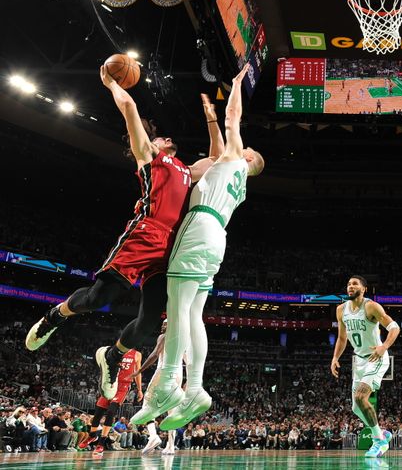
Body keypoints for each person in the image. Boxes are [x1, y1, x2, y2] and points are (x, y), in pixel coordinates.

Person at [26, 71, 221, 402]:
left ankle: (113, 356)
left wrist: (212, 119)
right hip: (144, 235)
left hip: (168, 251)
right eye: (160, 137)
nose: (166, 137)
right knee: (98, 299)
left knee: (148, 324)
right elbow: (130, 108)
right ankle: (54, 316)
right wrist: (113, 83)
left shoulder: (187, 171)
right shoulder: (151, 158)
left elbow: (216, 158)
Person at [132, 64, 265, 430]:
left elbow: (233, 117)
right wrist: (209, 119)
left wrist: (237, 85)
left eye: (247, 148)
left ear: (250, 159)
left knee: (177, 311)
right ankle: (195, 388)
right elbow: (218, 145)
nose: (242, 145)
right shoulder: (236, 178)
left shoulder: (238, 158)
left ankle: (168, 387)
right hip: (216, 237)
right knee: (192, 315)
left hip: (199, 229)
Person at [330, 275, 400, 458]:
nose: (350, 286)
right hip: (359, 360)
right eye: (348, 284)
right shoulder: (340, 310)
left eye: (354, 284)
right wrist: (335, 358)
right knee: (355, 407)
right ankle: (382, 432)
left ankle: (380, 442)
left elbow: (394, 327)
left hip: (376, 357)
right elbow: (342, 338)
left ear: (364, 289)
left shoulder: (371, 306)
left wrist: (383, 346)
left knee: (361, 397)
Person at [79, 348, 143, 455]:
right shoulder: (115, 350)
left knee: (111, 412)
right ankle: (92, 436)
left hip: (123, 385)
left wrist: (140, 389)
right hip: (111, 383)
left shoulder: (136, 354)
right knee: (98, 412)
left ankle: (101, 443)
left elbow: (138, 372)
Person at [129, 319, 178, 455]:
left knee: (146, 404)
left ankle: (153, 436)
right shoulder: (183, 339)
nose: (162, 326)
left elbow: (155, 354)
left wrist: (140, 370)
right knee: (171, 411)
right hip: (177, 375)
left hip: (163, 372)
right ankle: (171, 446)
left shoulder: (163, 336)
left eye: (166, 324)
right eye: (162, 323)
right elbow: (188, 361)